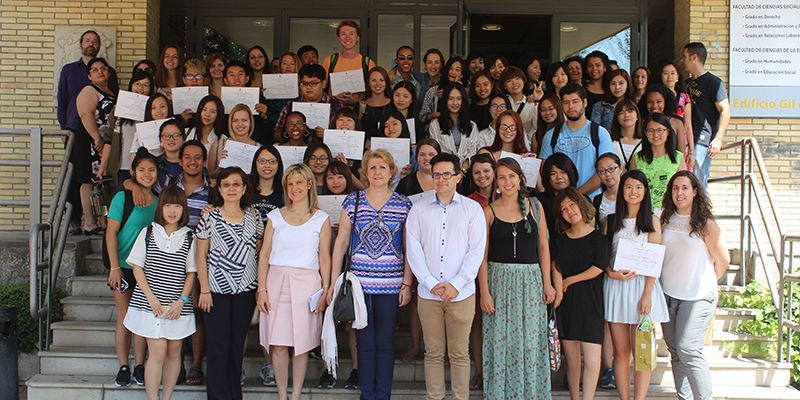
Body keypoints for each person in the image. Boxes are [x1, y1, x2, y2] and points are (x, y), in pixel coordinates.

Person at [328, 149, 413, 398]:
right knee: (364, 343)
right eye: (372, 167)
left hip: (391, 284)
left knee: (385, 342)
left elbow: (409, 248)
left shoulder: (403, 204)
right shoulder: (352, 201)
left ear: (391, 172)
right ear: (365, 172)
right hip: (358, 285)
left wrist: (407, 283)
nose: (377, 172)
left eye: (382, 167)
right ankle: (367, 394)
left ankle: (382, 394)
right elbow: (341, 243)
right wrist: (334, 281)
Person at [406, 152, 487, 400]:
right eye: (436, 174)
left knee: (460, 353)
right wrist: (430, 283)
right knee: (433, 352)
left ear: (458, 177)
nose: (440, 179)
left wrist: (456, 283)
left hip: (461, 293)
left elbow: (476, 251)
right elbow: (413, 249)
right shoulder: (418, 209)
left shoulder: (472, 209)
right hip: (428, 294)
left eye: (446, 174)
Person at [479, 158, 553, 399]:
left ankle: (531, 394)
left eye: (512, 176)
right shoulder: (488, 211)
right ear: (496, 182)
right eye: (502, 177)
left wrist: (548, 282)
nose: (507, 181)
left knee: (531, 343)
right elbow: (482, 255)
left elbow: (544, 247)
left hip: (531, 282)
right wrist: (485, 292)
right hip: (498, 281)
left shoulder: (535, 206)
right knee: (501, 342)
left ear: (521, 178)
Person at [256, 163, 331, 400]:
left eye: (299, 182)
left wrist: (326, 289)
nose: (294, 188)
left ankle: (296, 395)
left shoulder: (321, 218)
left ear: (309, 184)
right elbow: (265, 255)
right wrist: (262, 288)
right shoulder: (275, 216)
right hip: (276, 282)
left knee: (301, 344)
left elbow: (325, 257)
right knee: (278, 344)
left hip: (307, 284)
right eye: (290, 184)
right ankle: (281, 394)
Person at [123, 185, 197, 400]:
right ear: (160, 208)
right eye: (167, 205)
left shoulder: (189, 236)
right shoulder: (148, 232)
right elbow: (137, 267)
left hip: (177, 305)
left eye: (177, 206)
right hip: (149, 303)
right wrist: (151, 298)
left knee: (175, 351)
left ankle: (167, 397)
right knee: (157, 350)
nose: (172, 210)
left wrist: (182, 300)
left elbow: (191, 272)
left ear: (183, 209)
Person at [660, 170, 729, 400]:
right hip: (668, 294)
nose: (679, 193)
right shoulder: (663, 218)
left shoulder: (705, 223)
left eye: (685, 188)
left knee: (688, 348)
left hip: (698, 295)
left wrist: (704, 282)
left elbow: (723, 260)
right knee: (676, 352)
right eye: (675, 188)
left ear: (695, 191)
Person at [196, 166, 263, 400]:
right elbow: (200, 256)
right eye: (227, 184)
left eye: (237, 184)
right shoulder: (209, 216)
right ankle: (217, 396)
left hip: (245, 290)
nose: (232, 188)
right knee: (218, 347)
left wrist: (261, 287)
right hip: (215, 291)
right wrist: (204, 289)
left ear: (244, 188)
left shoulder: (254, 215)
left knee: (236, 347)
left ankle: (235, 394)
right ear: (219, 189)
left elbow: (260, 252)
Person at [603, 170, 669, 400]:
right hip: (617, 288)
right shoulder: (611, 220)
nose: (633, 192)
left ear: (645, 191)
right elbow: (603, 257)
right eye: (629, 187)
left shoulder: (652, 220)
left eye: (638, 187)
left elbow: (654, 260)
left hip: (642, 288)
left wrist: (647, 294)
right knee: (621, 352)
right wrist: (612, 274)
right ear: (622, 190)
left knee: (643, 350)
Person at [107, 148, 158, 387]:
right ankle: (123, 365)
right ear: (134, 172)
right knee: (125, 316)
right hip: (123, 266)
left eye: (151, 170)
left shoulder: (159, 201)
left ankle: (139, 365)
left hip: (147, 270)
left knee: (142, 317)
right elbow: (111, 232)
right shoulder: (122, 198)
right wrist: (114, 266)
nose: (147, 174)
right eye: (142, 170)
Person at [551, 187, 608, 400]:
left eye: (572, 205)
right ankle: (575, 397)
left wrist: (570, 280)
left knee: (593, 359)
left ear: (581, 204)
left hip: (592, 302)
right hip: (567, 303)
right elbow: (555, 266)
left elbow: (599, 267)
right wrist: (558, 292)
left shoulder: (599, 238)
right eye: (564, 209)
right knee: (572, 360)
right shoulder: (560, 240)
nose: (569, 211)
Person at [539, 83, 614, 198]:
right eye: (566, 102)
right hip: (561, 203)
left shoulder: (600, 133)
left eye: (575, 101)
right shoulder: (551, 136)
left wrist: (576, 194)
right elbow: (546, 171)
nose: (570, 107)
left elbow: (606, 171)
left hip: (592, 200)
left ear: (585, 103)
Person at [74, 57, 117, 235]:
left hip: (105, 142)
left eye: (103, 68)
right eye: (95, 69)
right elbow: (85, 114)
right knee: (88, 181)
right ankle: (90, 222)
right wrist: (96, 138)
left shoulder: (112, 92)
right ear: (89, 75)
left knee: (102, 181)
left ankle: (102, 220)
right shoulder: (89, 90)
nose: (100, 71)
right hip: (90, 140)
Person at [680, 42, 730, 187]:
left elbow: (725, 110)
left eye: (685, 57)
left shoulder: (713, 82)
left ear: (694, 57)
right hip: (684, 140)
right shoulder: (686, 83)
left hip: (701, 141)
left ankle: (702, 211)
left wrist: (718, 139)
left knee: (698, 185)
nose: (681, 61)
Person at [58, 30, 119, 132]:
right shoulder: (68, 70)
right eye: (87, 41)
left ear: (99, 46)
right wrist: (63, 129)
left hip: (102, 128)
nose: (91, 44)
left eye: (95, 42)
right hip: (74, 127)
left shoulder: (108, 71)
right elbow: (62, 100)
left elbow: (115, 99)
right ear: (80, 45)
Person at [103, 70, 153, 190]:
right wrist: (102, 166)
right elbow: (108, 140)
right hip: (121, 167)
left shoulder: (154, 110)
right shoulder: (118, 110)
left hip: (146, 169)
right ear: (131, 85)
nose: (141, 88)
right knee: (121, 203)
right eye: (137, 84)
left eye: (146, 85)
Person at [630, 113, 688, 211]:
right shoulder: (637, 158)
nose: (655, 134)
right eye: (650, 130)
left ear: (668, 131)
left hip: (669, 212)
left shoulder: (678, 157)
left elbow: (682, 188)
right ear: (645, 132)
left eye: (660, 130)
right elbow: (631, 187)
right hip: (643, 212)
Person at [274, 64, 344, 141]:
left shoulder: (337, 106)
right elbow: (276, 135)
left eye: (313, 83)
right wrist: (291, 133)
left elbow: (346, 135)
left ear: (323, 83)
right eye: (304, 83)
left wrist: (328, 135)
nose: (308, 87)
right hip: (296, 150)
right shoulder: (289, 106)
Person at [427, 82, 489, 163]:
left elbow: (474, 151)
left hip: (467, 170)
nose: (455, 103)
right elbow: (435, 150)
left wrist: (464, 168)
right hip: (444, 170)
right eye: (451, 99)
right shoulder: (435, 124)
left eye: (459, 99)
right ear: (445, 100)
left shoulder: (472, 125)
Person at [322, 20, 377, 106]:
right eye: (343, 34)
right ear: (339, 38)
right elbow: (321, 87)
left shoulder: (368, 63)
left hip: (359, 111)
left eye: (351, 33)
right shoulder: (330, 60)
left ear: (358, 38)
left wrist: (357, 98)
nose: (347, 37)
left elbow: (374, 90)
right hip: (334, 109)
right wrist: (334, 96)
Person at [221, 60, 271, 145]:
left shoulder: (260, 99)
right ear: (225, 80)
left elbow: (268, 130)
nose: (236, 78)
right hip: (230, 145)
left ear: (247, 78)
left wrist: (265, 116)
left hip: (255, 144)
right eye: (231, 75)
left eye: (240, 74)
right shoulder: (221, 102)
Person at [639, 84, 691, 165]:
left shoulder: (676, 123)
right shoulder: (641, 122)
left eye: (659, 101)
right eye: (650, 102)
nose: (654, 105)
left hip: (672, 168)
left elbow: (681, 154)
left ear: (666, 101)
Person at [208, 104, 261, 175]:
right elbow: (210, 177)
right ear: (231, 123)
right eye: (235, 120)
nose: (240, 124)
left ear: (251, 123)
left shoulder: (259, 148)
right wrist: (220, 165)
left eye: (244, 120)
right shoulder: (217, 145)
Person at [420, 56, 469, 125]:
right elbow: (422, 117)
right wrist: (433, 115)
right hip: (435, 130)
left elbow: (468, 113)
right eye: (450, 69)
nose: (453, 72)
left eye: (457, 70)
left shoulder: (467, 92)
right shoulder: (433, 90)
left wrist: (456, 89)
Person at [502, 66, 542, 147]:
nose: (514, 83)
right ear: (504, 86)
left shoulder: (531, 103)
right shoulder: (502, 104)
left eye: (517, 78)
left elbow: (537, 126)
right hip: (505, 147)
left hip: (526, 148)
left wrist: (537, 101)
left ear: (523, 80)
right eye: (509, 80)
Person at [266, 52, 302, 134]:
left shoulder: (303, 86)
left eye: (292, 64)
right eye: (284, 63)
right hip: (274, 128)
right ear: (280, 65)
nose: (288, 67)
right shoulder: (271, 84)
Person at [129, 93, 171, 158]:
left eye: (162, 106)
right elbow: (133, 152)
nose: (158, 111)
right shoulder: (141, 129)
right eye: (153, 108)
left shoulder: (175, 127)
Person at [609, 99, 643, 170]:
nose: (626, 115)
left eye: (630, 111)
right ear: (616, 118)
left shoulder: (646, 141)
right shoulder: (610, 141)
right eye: (621, 112)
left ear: (637, 116)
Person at [360, 66, 393, 139]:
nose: (378, 84)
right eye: (374, 80)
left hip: (390, 147)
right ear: (368, 82)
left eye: (381, 80)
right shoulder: (361, 106)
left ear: (386, 82)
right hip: (367, 148)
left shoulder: (394, 105)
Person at [593, 152, 623, 225]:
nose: (607, 174)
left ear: (621, 169)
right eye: (602, 171)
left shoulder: (631, 195)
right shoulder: (597, 200)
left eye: (611, 169)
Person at [177, 58, 209, 123]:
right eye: (189, 76)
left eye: (198, 76)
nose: (194, 80)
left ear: (205, 79)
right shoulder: (177, 100)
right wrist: (183, 120)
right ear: (184, 80)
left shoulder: (211, 100)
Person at [155, 119, 186, 184]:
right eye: (166, 136)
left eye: (176, 135)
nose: (171, 139)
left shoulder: (191, 162)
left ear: (184, 139)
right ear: (160, 139)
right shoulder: (154, 163)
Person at [583, 51, 610, 117]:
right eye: (590, 66)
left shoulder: (611, 88)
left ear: (604, 67)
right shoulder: (582, 89)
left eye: (598, 65)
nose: (594, 69)